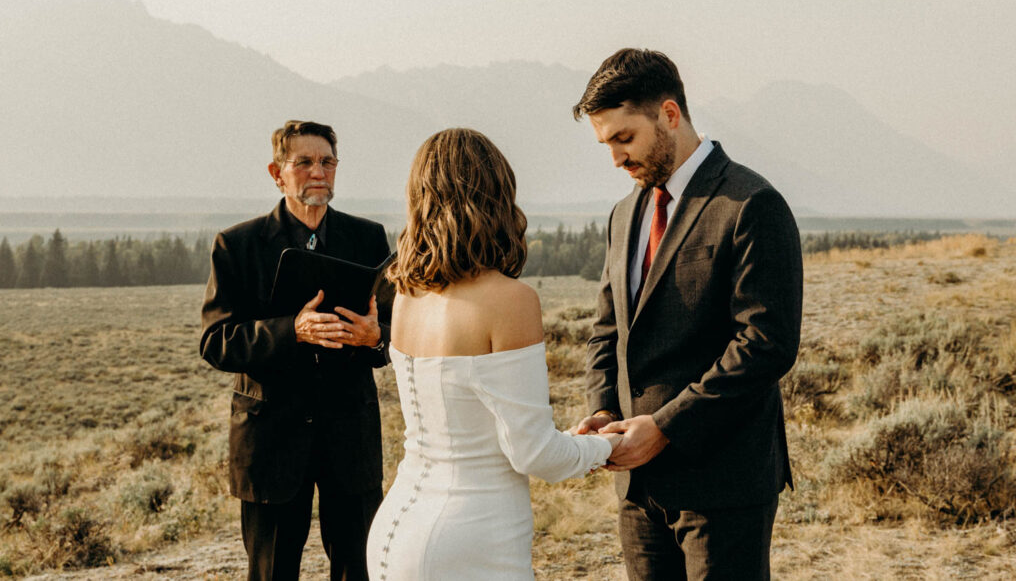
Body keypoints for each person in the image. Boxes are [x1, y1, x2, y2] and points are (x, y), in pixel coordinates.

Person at [572, 49, 803, 580]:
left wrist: (667, 427)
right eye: (605, 144)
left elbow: (766, 344)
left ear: (670, 115)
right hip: (637, 488)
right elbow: (608, 331)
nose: (616, 159)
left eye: (624, 139)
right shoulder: (624, 212)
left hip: (722, 485)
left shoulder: (751, 203)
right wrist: (604, 411)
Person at [366, 128, 620, 580]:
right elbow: (535, 454)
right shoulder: (509, 300)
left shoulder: (406, 296)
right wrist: (607, 446)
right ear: (497, 196)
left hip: (395, 527)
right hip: (472, 537)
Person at [200, 120, 392, 581]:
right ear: (276, 172)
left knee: (360, 569)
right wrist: (293, 331)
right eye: (303, 162)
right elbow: (216, 341)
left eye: (326, 162)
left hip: (350, 438)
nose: (317, 172)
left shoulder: (368, 239)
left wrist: (375, 338)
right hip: (271, 443)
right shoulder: (237, 245)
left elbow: (390, 328)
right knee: (271, 574)